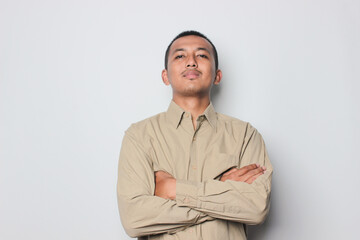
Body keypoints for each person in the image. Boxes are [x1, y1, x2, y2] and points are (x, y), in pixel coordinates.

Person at [117, 30, 273, 240]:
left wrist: (173, 189)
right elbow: (134, 218)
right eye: (180, 56)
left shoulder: (245, 135)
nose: (191, 62)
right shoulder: (140, 136)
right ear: (165, 76)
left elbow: (256, 208)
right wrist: (224, 193)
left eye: (202, 55)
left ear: (217, 76)